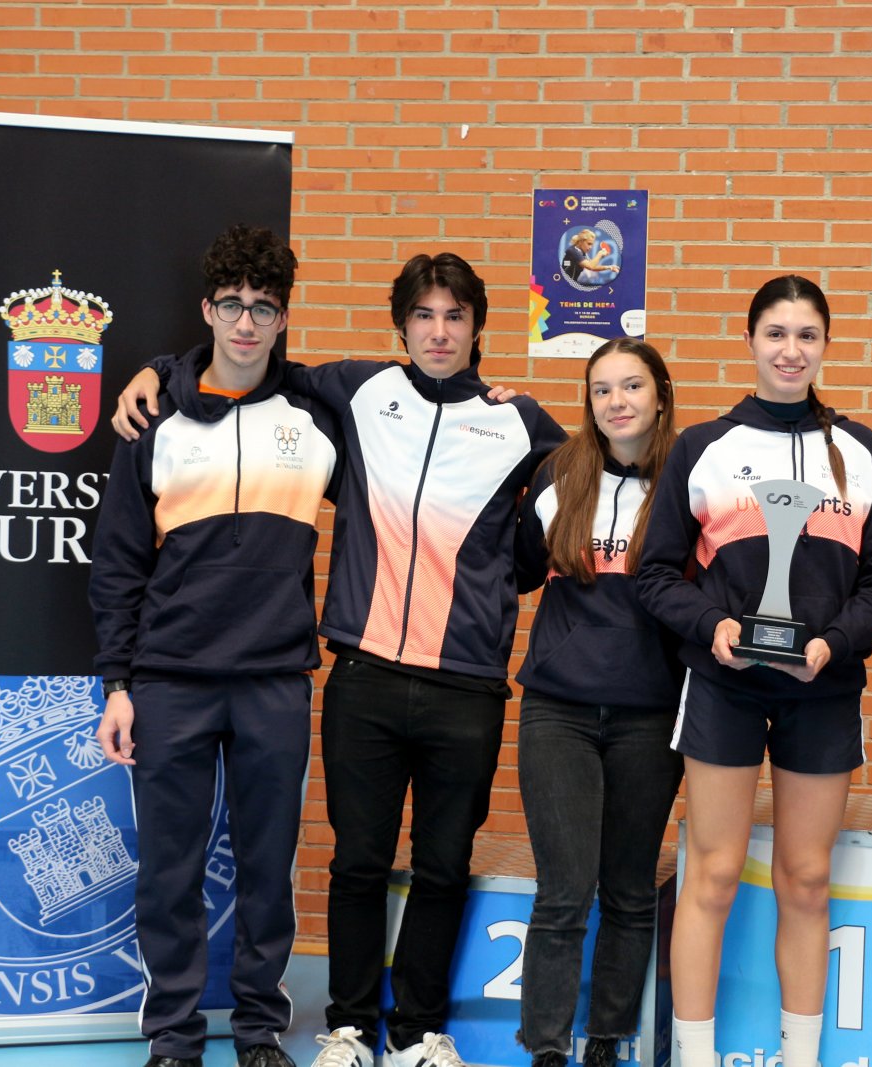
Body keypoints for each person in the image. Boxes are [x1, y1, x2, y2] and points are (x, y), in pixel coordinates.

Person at [112, 253, 566, 1067]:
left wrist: (504, 574)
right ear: (401, 325)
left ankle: (416, 1032)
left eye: (454, 316)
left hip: (465, 681)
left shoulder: (522, 423)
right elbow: (244, 366)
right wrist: (157, 369)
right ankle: (346, 1027)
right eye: (423, 315)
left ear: (477, 328)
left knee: (441, 866)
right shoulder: (356, 392)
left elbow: (572, 494)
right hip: (359, 673)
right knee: (356, 862)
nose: (438, 331)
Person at [635, 276, 872, 1067]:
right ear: (751, 340)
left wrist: (836, 641)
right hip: (723, 683)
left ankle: (800, 1057)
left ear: (826, 344)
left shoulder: (860, 450)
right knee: (713, 871)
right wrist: (713, 626)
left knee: (807, 876)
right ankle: (692, 1057)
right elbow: (656, 574)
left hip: (823, 688)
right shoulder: (704, 448)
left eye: (807, 335)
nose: (791, 350)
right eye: (777, 334)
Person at [91, 224, 338, 1067]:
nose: (245, 323)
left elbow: (408, 409)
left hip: (274, 679)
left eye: (263, 308)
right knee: (170, 871)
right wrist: (117, 683)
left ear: (282, 317)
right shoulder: (154, 416)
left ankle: (260, 1028)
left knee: (268, 867)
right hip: (170, 680)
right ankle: (174, 1035)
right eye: (231, 304)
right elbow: (118, 563)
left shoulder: (317, 415)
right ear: (207, 308)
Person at [512, 338, 684, 1067]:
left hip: (651, 712)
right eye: (602, 388)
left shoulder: (685, 482)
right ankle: (547, 1047)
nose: (617, 401)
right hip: (560, 710)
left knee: (629, 889)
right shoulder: (559, 474)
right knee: (564, 889)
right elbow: (521, 569)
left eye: (632, 386)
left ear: (660, 396)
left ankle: (607, 1041)